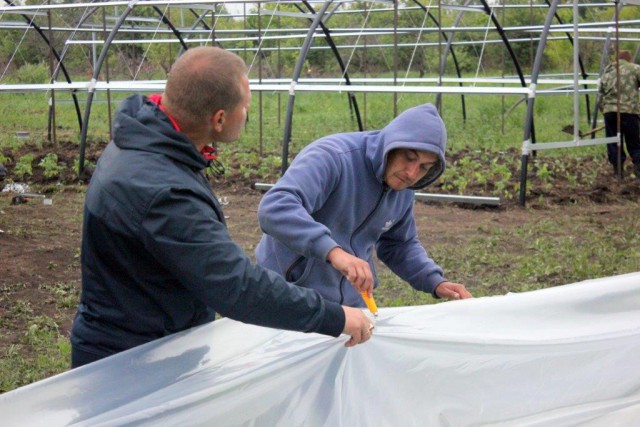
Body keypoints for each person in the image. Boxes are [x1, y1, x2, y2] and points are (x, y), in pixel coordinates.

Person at [70, 47, 374, 368]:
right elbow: (236, 287)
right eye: (245, 107)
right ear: (219, 119)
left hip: (145, 334)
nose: (247, 114)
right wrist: (334, 316)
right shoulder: (165, 191)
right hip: (132, 358)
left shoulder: (146, 140)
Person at [255, 103, 472, 309]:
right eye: (408, 158)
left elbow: (399, 244)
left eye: (424, 168)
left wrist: (435, 282)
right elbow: (276, 206)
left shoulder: (403, 188)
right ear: (392, 146)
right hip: (287, 293)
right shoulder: (332, 157)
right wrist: (334, 252)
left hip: (348, 305)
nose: (411, 173)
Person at [598, 50, 640, 180]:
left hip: (610, 112)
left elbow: (600, 93)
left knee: (613, 141)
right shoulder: (635, 68)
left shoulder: (608, 70)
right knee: (633, 141)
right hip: (629, 111)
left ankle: (618, 171)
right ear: (629, 59)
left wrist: (604, 110)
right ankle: (638, 170)